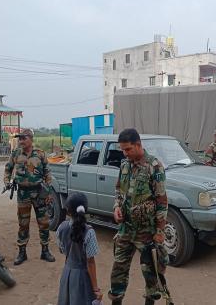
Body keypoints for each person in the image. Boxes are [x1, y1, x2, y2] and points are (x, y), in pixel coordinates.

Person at [108, 128, 172, 305]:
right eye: (122, 149)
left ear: (138, 145)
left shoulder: (154, 166)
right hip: (126, 229)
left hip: (147, 232)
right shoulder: (124, 165)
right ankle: (116, 301)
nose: (125, 153)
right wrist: (116, 208)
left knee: (151, 274)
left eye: (128, 149)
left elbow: (161, 201)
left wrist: (159, 231)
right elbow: (118, 191)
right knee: (118, 271)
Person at [3, 128, 55, 265]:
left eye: (23, 138)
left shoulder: (40, 154)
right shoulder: (16, 153)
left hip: (39, 193)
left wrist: (48, 192)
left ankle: (45, 251)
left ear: (30, 139)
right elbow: (8, 168)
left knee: (44, 223)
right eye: (19, 138)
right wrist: (7, 181)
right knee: (23, 223)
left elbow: (48, 174)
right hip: (23, 193)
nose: (20, 141)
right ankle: (22, 253)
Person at [56, 192, 103, 305]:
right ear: (85, 209)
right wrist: (95, 288)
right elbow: (90, 262)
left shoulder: (61, 228)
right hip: (82, 278)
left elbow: (62, 250)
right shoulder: (89, 232)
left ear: (68, 211)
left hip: (67, 274)